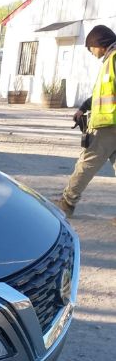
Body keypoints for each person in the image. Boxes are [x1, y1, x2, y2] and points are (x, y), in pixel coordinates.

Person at [53, 25, 116, 218]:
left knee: (86, 163)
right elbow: (102, 93)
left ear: (100, 43)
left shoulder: (114, 59)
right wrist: (84, 107)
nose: (90, 51)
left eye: (91, 47)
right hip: (110, 123)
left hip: (108, 126)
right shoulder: (109, 61)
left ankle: (67, 202)